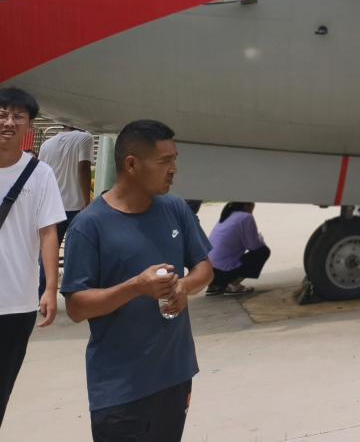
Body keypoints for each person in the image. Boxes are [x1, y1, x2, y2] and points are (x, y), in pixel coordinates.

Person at [61, 120, 214, 441]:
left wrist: (184, 287)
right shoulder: (89, 226)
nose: (173, 169)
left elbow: (204, 267)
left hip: (174, 374)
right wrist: (135, 287)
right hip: (120, 388)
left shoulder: (175, 208)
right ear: (131, 164)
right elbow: (76, 307)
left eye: (175, 159)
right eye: (164, 161)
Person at [0, 87, 64, 428]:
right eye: (2, 114)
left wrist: (50, 288)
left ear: (29, 125)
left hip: (16, 303)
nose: (8, 122)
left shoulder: (40, 174)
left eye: (17, 116)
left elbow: (48, 232)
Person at [37, 123, 93, 294]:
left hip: (51, 205)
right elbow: (84, 166)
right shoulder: (85, 138)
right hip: (76, 207)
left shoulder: (46, 144)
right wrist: (87, 201)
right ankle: (73, 293)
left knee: (48, 253)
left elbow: (40, 173)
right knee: (76, 253)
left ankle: (43, 295)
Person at [206, 203, 270, 296]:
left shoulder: (227, 215)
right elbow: (253, 246)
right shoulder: (246, 217)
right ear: (246, 206)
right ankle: (234, 284)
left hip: (209, 272)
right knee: (263, 251)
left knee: (222, 256)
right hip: (223, 272)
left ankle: (214, 286)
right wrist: (259, 239)